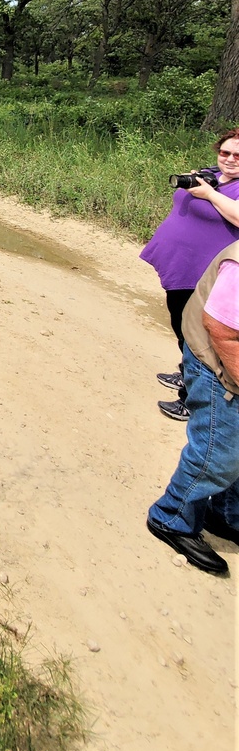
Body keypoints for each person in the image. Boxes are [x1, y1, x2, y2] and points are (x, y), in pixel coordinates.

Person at [146, 241, 239, 576]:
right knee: (218, 452)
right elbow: (223, 331)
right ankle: (172, 517)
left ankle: (227, 514)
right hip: (217, 364)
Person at [140, 129, 239, 420]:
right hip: (180, 266)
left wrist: (209, 194)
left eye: (238, 156)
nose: (230, 160)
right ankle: (187, 373)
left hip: (204, 274)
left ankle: (192, 402)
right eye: (225, 153)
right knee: (182, 327)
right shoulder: (212, 175)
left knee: (200, 338)